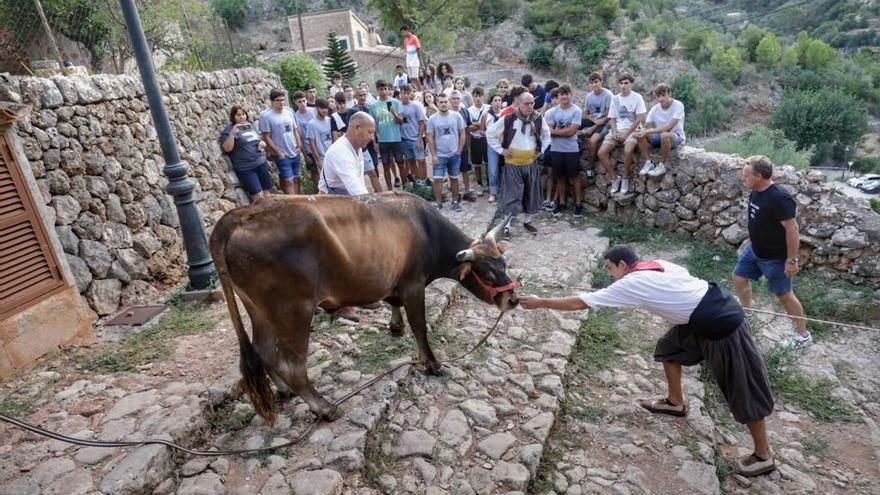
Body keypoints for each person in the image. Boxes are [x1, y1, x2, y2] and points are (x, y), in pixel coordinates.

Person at [518, 245, 777, 478]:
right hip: (704, 312)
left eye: (610, 268)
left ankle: (763, 456)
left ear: (622, 265)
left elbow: (581, 303)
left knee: (742, 388)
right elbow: (684, 278)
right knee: (670, 347)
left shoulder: (631, 282)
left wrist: (541, 302)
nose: (609, 274)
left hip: (721, 323)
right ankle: (676, 402)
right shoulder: (659, 264)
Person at [733, 157, 811, 347]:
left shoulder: (779, 197)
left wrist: (791, 260)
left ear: (759, 176)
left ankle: (802, 336)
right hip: (755, 250)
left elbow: (792, 230)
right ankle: (747, 315)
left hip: (775, 257)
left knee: (784, 294)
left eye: (746, 175)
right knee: (739, 277)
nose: (743, 178)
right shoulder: (755, 191)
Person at [318, 112, 378, 322]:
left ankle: (361, 294)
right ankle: (343, 304)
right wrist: (377, 210)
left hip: (347, 201)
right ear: (356, 128)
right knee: (343, 254)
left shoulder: (357, 148)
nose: (372, 136)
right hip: (332, 203)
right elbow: (356, 188)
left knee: (361, 250)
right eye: (369, 132)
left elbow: (359, 184)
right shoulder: (340, 151)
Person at [486, 91, 550, 235]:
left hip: (531, 163)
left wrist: (541, 151)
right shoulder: (508, 119)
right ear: (519, 104)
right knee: (512, 195)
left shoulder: (538, 119)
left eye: (532, 103)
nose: (530, 106)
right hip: (513, 164)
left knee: (530, 193)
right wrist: (501, 151)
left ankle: (527, 221)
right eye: (526, 103)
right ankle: (507, 224)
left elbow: (547, 135)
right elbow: (490, 134)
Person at [598, 74, 646, 195]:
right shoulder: (615, 98)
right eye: (621, 83)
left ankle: (625, 178)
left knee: (628, 150)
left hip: (632, 130)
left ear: (631, 84)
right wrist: (614, 132)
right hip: (617, 130)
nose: (623, 86)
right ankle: (614, 178)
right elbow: (612, 118)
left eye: (626, 83)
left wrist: (626, 134)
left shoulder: (637, 97)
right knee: (601, 153)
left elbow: (639, 119)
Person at [544, 85, 583, 215]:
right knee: (559, 177)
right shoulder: (551, 112)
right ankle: (561, 202)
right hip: (556, 149)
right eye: (562, 94)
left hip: (571, 149)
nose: (564, 96)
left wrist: (556, 132)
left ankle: (578, 204)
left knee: (575, 177)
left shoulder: (576, 110)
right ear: (558, 96)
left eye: (567, 94)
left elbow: (572, 131)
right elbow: (548, 132)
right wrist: (562, 132)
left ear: (571, 95)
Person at [220, 105, 273, 198]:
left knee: (267, 194)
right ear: (233, 117)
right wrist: (232, 133)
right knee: (258, 196)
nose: (241, 117)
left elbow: (259, 139)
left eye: (243, 114)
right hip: (246, 168)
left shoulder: (250, 126)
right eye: (238, 115)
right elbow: (227, 148)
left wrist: (262, 143)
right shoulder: (229, 130)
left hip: (260, 162)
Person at [258, 88, 304, 195]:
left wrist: (299, 145)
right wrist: (277, 152)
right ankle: (293, 204)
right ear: (272, 101)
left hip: (294, 149)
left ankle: (298, 199)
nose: (281, 102)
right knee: (288, 180)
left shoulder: (289, 111)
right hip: (282, 152)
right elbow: (266, 136)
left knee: (296, 178)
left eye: (283, 100)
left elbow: (295, 129)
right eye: (278, 100)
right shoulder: (266, 116)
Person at [426, 93, 466, 211]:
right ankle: (438, 203)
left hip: (454, 153)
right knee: (438, 179)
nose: (443, 104)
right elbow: (429, 137)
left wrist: (459, 150)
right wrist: (433, 155)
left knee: (454, 178)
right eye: (441, 102)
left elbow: (462, 132)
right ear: (437, 103)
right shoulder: (432, 119)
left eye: (445, 102)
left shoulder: (457, 116)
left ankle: (455, 201)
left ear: (448, 102)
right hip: (439, 155)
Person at [636, 83, 685, 178]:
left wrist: (647, 131)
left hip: (676, 136)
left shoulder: (678, 105)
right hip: (660, 136)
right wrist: (641, 129)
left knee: (665, 135)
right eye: (658, 96)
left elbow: (668, 128)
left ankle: (662, 165)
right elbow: (646, 126)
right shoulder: (655, 109)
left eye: (663, 95)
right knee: (637, 134)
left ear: (669, 93)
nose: (661, 99)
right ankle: (648, 161)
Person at [344, 87, 383, 193]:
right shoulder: (352, 110)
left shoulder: (370, 108)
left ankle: (379, 194)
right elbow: (350, 129)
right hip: (360, 146)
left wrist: (375, 142)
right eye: (360, 95)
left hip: (371, 143)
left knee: (375, 168)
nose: (362, 97)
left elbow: (373, 128)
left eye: (364, 95)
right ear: (356, 97)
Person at [369, 79, 405, 190]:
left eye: (386, 89)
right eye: (381, 89)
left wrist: (393, 113)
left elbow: (401, 121)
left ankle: (405, 187)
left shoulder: (396, 102)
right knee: (385, 165)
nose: (384, 92)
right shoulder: (373, 106)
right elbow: (372, 126)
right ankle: (389, 190)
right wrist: (374, 142)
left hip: (396, 138)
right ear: (377, 90)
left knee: (400, 163)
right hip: (383, 140)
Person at [582, 72, 612, 180]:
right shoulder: (589, 96)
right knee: (574, 125)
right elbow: (585, 113)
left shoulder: (608, 95)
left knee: (593, 141)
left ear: (601, 82)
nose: (594, 85)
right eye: (592, 82)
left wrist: (594, 126)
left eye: (596, 82)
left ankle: (590, 168)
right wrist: (593, 120)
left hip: (605, 121)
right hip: (594, 119)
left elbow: (609, 115)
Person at [399, 84, 428, 186]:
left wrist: (420, 139)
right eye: (404, 93)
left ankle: (424, 180)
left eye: (408, 93)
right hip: (404, 139)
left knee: (421, 160)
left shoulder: (416, 106)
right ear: (400, 94)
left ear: (411, 94)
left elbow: (422, 123)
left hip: (415, 138)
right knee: (410, 160)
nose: (406, 95)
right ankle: (417, 181)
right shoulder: (398, 106)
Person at [450, 90, 475, 202]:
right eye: (453, 98)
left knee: (465, 169)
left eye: (457, 98)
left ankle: (467, 191)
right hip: (451, 146)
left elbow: (469, 127)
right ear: (450, 100)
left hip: (464, 145)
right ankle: (456, 193)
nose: (455, 101)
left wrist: (468, 143)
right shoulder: (447, 112)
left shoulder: (464, 111)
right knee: (453, 171)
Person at [468, 87, 490, 197]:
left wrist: (476, 124)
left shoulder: (488, 108)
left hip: (486, 139)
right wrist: (481, 125)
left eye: (480, 96)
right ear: (473, 97)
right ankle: (479, 184)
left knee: (488, 163)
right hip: (475, 139)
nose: (477, 98)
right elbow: (468, 128)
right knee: (476, 164)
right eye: (475, 96)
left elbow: (488, 126)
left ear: (483, 96)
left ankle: (489, 184)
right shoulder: (469, 110)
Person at [482, 93, 504, 203]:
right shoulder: (486, 115)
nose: (498, 102)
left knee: (505, 169)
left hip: (504, 144)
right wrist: (489, 134)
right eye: (495, 100)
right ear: (491, 102)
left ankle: (504, 191)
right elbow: (481, 129)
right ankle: (493, 192)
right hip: (492, 145)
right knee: (493, 169)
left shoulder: (505, 114)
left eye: (499, 100)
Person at [307, 99, 333, 173]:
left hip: (332, 155)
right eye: (322, 108)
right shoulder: (311, 124)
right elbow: (312, 143)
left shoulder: (330, 120)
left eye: (326, 108)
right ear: (317, 108)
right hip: (322, 157)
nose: (324, 110)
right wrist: (318, 160)